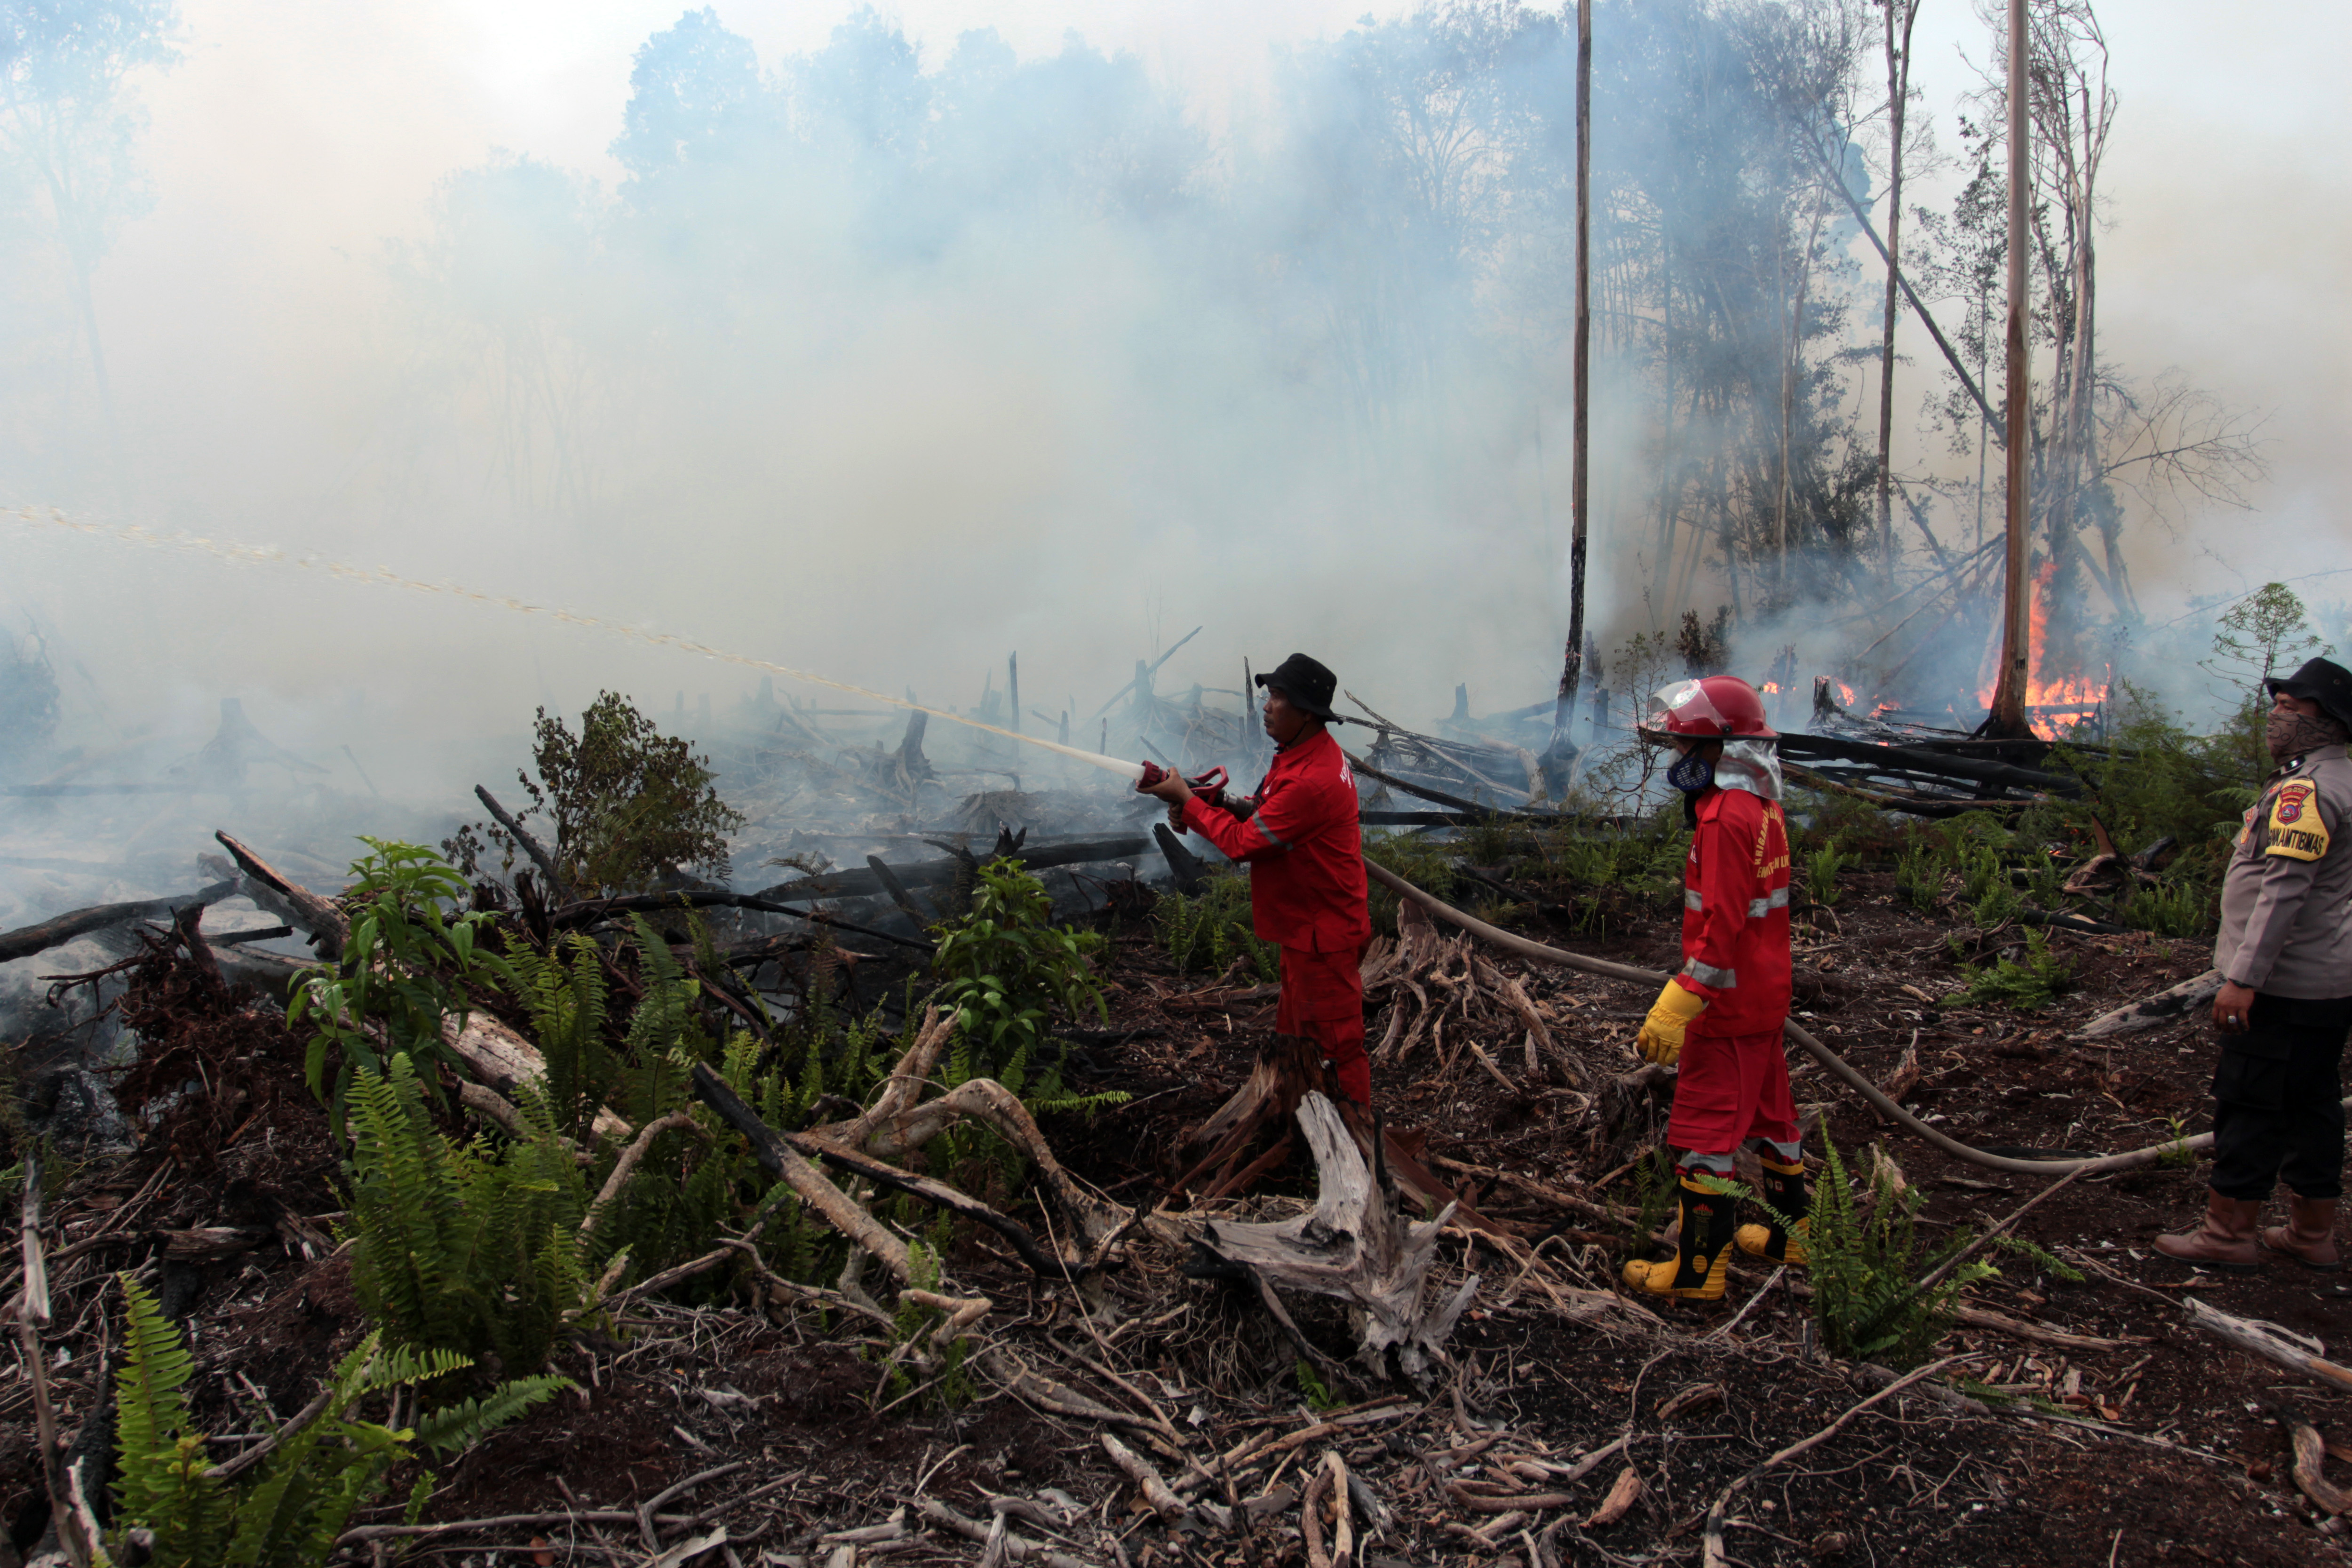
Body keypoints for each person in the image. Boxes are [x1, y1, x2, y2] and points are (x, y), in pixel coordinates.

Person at [2155, 656, 2352, 1273]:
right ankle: (2311, 1233)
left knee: (2250, 1102)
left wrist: (2242, 980)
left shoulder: (2308, 791)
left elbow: (2284, 893)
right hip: (2329, 982)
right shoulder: (2342, 779)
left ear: (2329, 721)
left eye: (2293, 706)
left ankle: (2226, 1233)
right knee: (2313, 1101)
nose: (2278, 714)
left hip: (2283, 985)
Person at [1620, 675, 1804, 1302]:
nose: (1678, 762)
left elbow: (1722, 925)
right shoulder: (1763, 808)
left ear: (1719, 752)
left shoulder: (1726, 819)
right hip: (1765, 994)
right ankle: (1792, 1235)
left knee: (1704, 1136)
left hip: (1725, 1007)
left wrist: (1681, 1001)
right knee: (1773, 1119)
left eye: (1685, 749)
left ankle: (1700, 1272)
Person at [1140, 653, 1375, 1105]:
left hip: (1323, 937)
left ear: (1308, 713)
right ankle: (1296, 1119)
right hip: (1306, 929)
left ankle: (1358, 1143)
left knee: (1337, 1048)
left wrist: (1189, 803)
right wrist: (1214, 801)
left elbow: (1244, 843)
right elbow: (1267, 811)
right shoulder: (1305, 754)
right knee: (1294, 1039)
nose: (1267, 705)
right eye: (1268, 695)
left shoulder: (1313, 779)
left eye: (1280, 698)